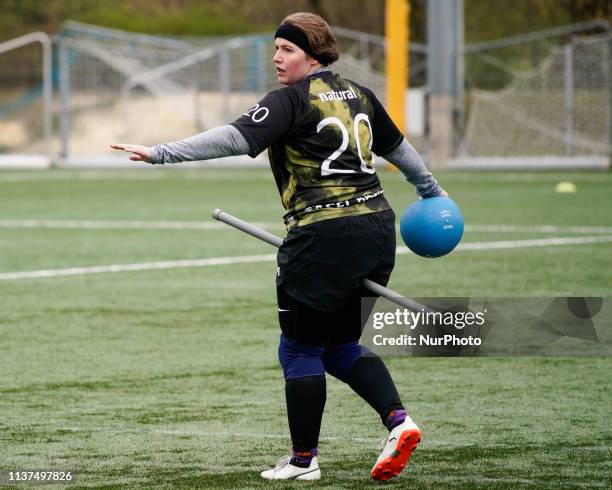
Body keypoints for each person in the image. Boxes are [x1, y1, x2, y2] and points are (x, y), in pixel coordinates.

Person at [112, 12, 446, 482]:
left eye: (287, 49)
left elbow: (233, 138)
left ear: (312, 54)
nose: (277, 57)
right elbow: (399, 149)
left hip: (322, 236)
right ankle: (398, 422)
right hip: (376, 230)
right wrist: (432, 191)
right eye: (275, 49)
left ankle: (304, 461)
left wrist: (161, 152)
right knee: (337, 345)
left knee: (299, 350)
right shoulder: (361, 95)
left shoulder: (290, 100)